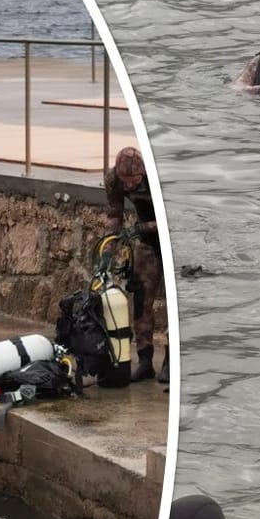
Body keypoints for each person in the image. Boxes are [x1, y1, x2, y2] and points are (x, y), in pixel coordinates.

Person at [104, 146, 168, 383]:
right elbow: (114, 215)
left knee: (174, 303)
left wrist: (142, 228)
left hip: (170, 241)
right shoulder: (114, 180)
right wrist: (108, 250)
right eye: (126, 181)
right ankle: (144, 359)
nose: (130, 186)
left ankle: (170, 361)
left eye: (134, 181)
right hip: (146, 244)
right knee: (141, 299)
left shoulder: (157, 175)